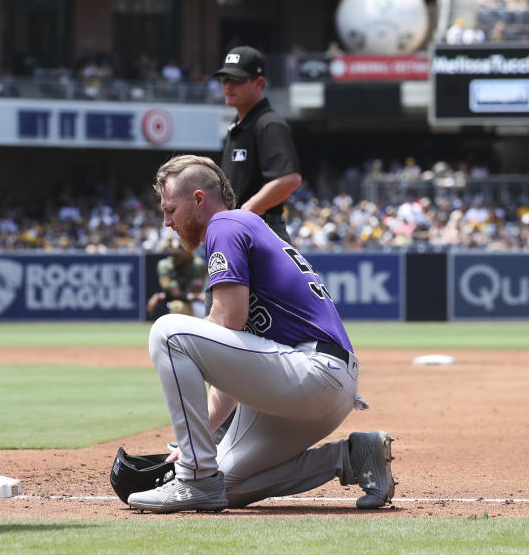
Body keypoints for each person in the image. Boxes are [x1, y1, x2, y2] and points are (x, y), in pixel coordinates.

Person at [126, 154, 394, 513]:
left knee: (168, 331)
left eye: (170, 209)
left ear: (199, 200)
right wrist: (192, 440)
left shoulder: (224, 224)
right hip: (313, 382)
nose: (166, 221)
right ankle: (351, 457)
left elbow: (228, 321)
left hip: (313, 372)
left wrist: (193, 460)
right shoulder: (247, 226)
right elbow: (231, 369)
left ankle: (194, 478)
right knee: (226, 487)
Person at [213, 46, 301, 245]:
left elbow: (289, 178)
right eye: (224, 79)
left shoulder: (268, 123)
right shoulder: (237, 125)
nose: (228, 86)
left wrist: (244, 213)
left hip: (262, 229)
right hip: (241, 230)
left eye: (237, 80)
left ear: (258, 82)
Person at [146, 239, 206, 319]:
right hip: (179, 302)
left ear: (188, 254)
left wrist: (161, 296)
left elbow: (194, 291)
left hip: (197, 303)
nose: (174, 258)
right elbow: (175, 294)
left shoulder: (197, 265)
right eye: (172, 254)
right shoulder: (165, 266)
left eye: (177, 255)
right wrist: (195, 295)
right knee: (178, 306)